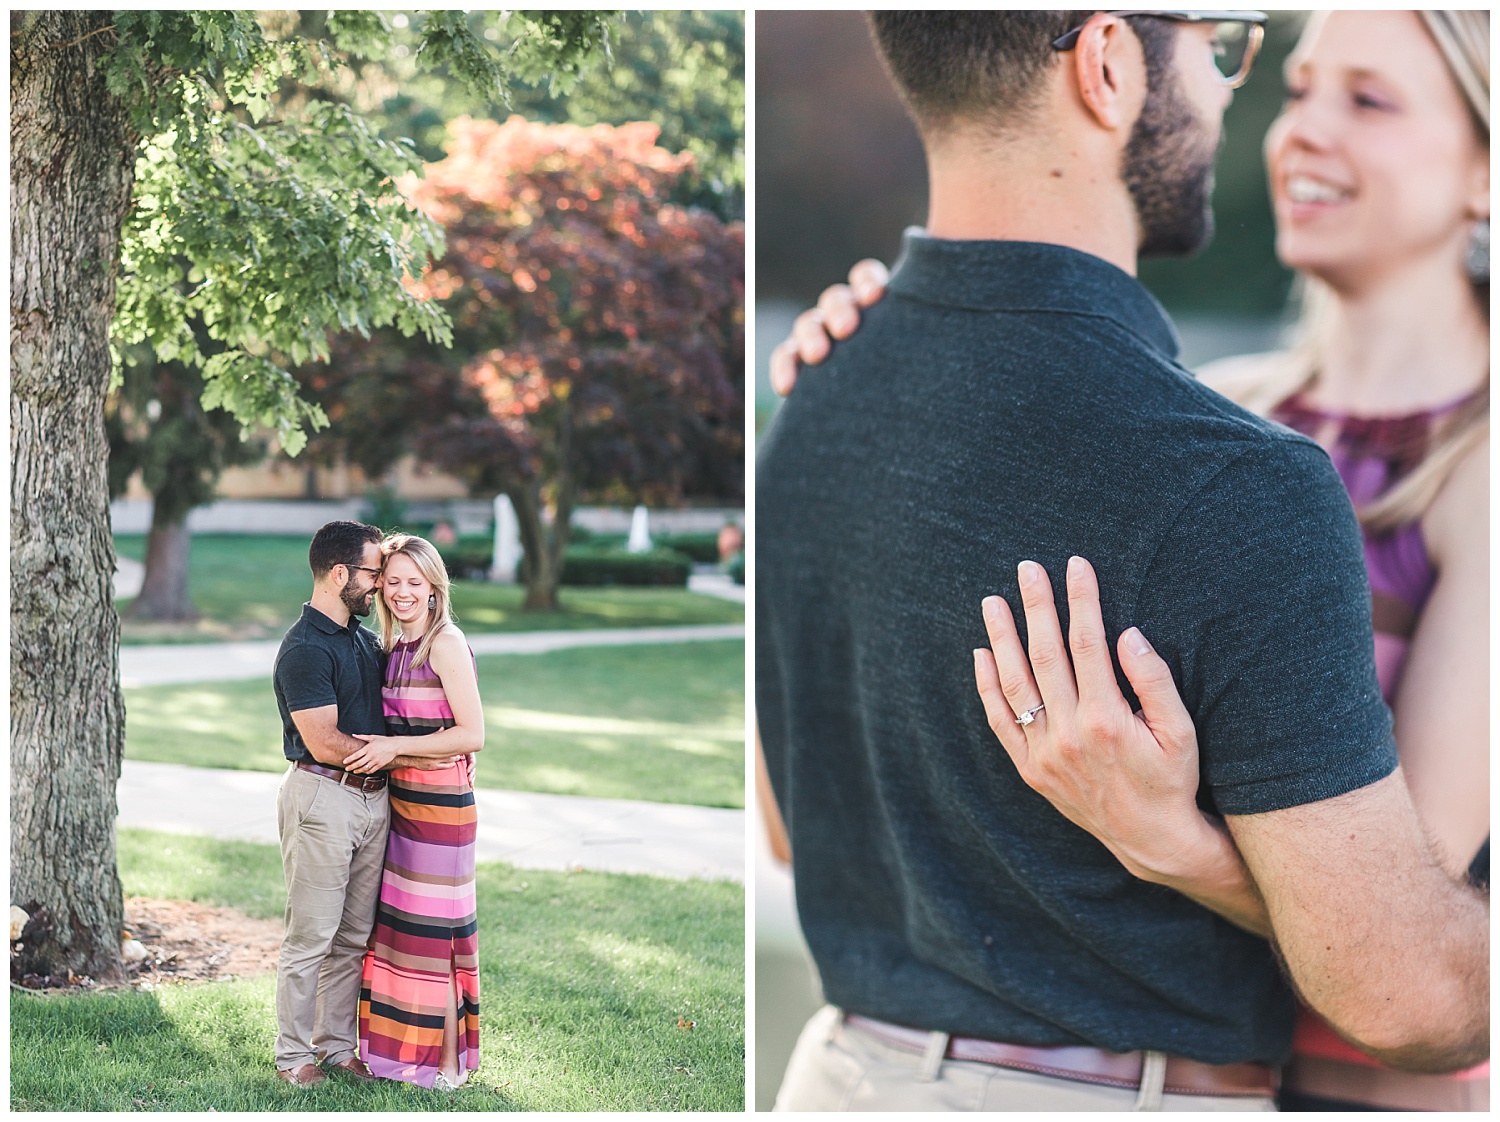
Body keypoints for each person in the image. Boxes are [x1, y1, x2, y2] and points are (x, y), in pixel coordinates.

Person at [756, 10, 1487, 1113]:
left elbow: (1401, 942)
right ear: (1106, 65)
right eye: (1271, 75)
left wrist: (1177, 844)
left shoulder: (1251, 462)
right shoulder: (1225, 434)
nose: (1282, 125)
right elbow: (1397, 968)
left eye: (1369, 99)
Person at [271, 520, 449, 1088]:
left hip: (376, 804)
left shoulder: (362, 640)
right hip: (323, 797)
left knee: (352, 938)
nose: (379, 587)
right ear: (341, 574)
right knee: (311, 938)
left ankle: (336, 1046)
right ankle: (293, 1056)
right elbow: (324, 741)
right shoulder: (303, 649)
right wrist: (405, 757)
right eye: (374, 573)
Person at [344, 533, 485, 1091]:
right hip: (402, 803)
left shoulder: (443, 643)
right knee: (400, 935)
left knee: (436, 937)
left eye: (414, 583)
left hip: (441, 812)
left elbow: (472, 734)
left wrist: (394, 749)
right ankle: (401, 1058)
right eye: (393, 581)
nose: (403, 592)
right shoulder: (395, 647)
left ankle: (446, 1068)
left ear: (434, 588)